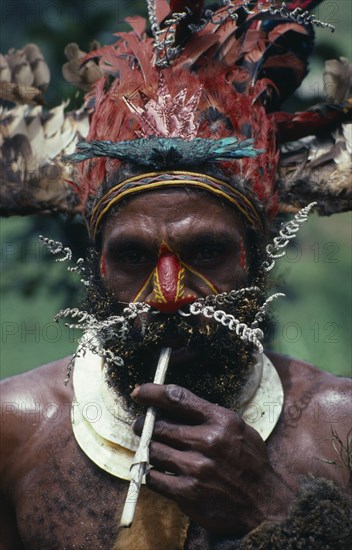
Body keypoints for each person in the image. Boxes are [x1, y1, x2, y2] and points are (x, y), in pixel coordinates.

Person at [0, 1, 351, 549]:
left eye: (207, 251)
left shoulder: (339, 428)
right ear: (96, 267)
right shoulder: (14, 427)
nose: (169, 294)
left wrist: (274, 507)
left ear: (255, 259)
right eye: (134, 258)